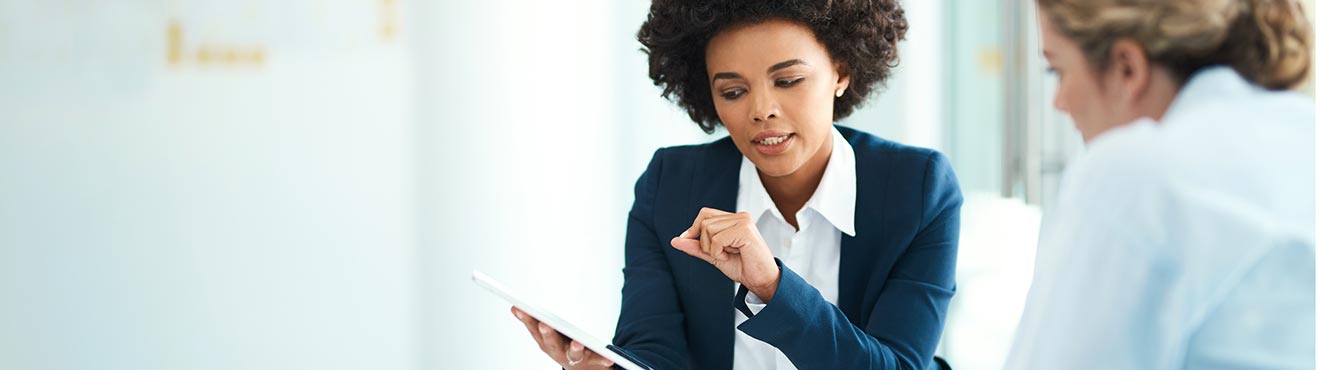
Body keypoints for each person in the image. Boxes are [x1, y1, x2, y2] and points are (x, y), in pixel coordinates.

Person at [509, 0, 962, 369]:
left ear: (841, 72)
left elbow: (899, 365)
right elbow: (653, 353)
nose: (762, 109)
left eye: (788, 80)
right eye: (732, 91)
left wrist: (771, 285)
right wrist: (609, 368)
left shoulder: (918, 189)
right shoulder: (671, 185)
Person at [1007, 0, 1315, 369]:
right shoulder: (1304, 136)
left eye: (1055, 70)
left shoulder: (1136, 176)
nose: (1059, 102)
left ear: (1127, 68)